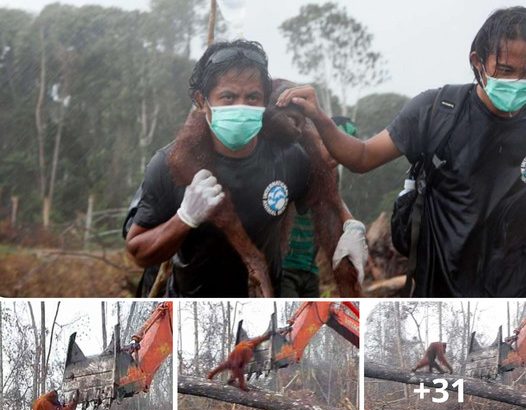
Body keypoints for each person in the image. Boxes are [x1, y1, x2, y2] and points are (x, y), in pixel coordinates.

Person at [277, 7, 526, 297]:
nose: (517, 83)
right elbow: (362, 156)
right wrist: (319, 118)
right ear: (478, 62)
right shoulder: (437, 111)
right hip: (440, 287)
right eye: (506, 71)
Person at [125, 40, 367, 297]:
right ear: (202, 101)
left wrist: (349, 228)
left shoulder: (288, 158)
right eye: (228, 97)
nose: (241, 107)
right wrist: (184, 218)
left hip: (263, 306)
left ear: (265, 102)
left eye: (252, 97)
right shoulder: (170, 163)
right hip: (192, 307)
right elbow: (138, 252)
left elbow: (326, 204)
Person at [281, 116, 358, 298]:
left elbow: (334, 208)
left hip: (310, 268)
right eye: (328, 144)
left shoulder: (331, 177)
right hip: (284, 268)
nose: (335, 154)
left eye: (342, 148)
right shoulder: (294, 162)